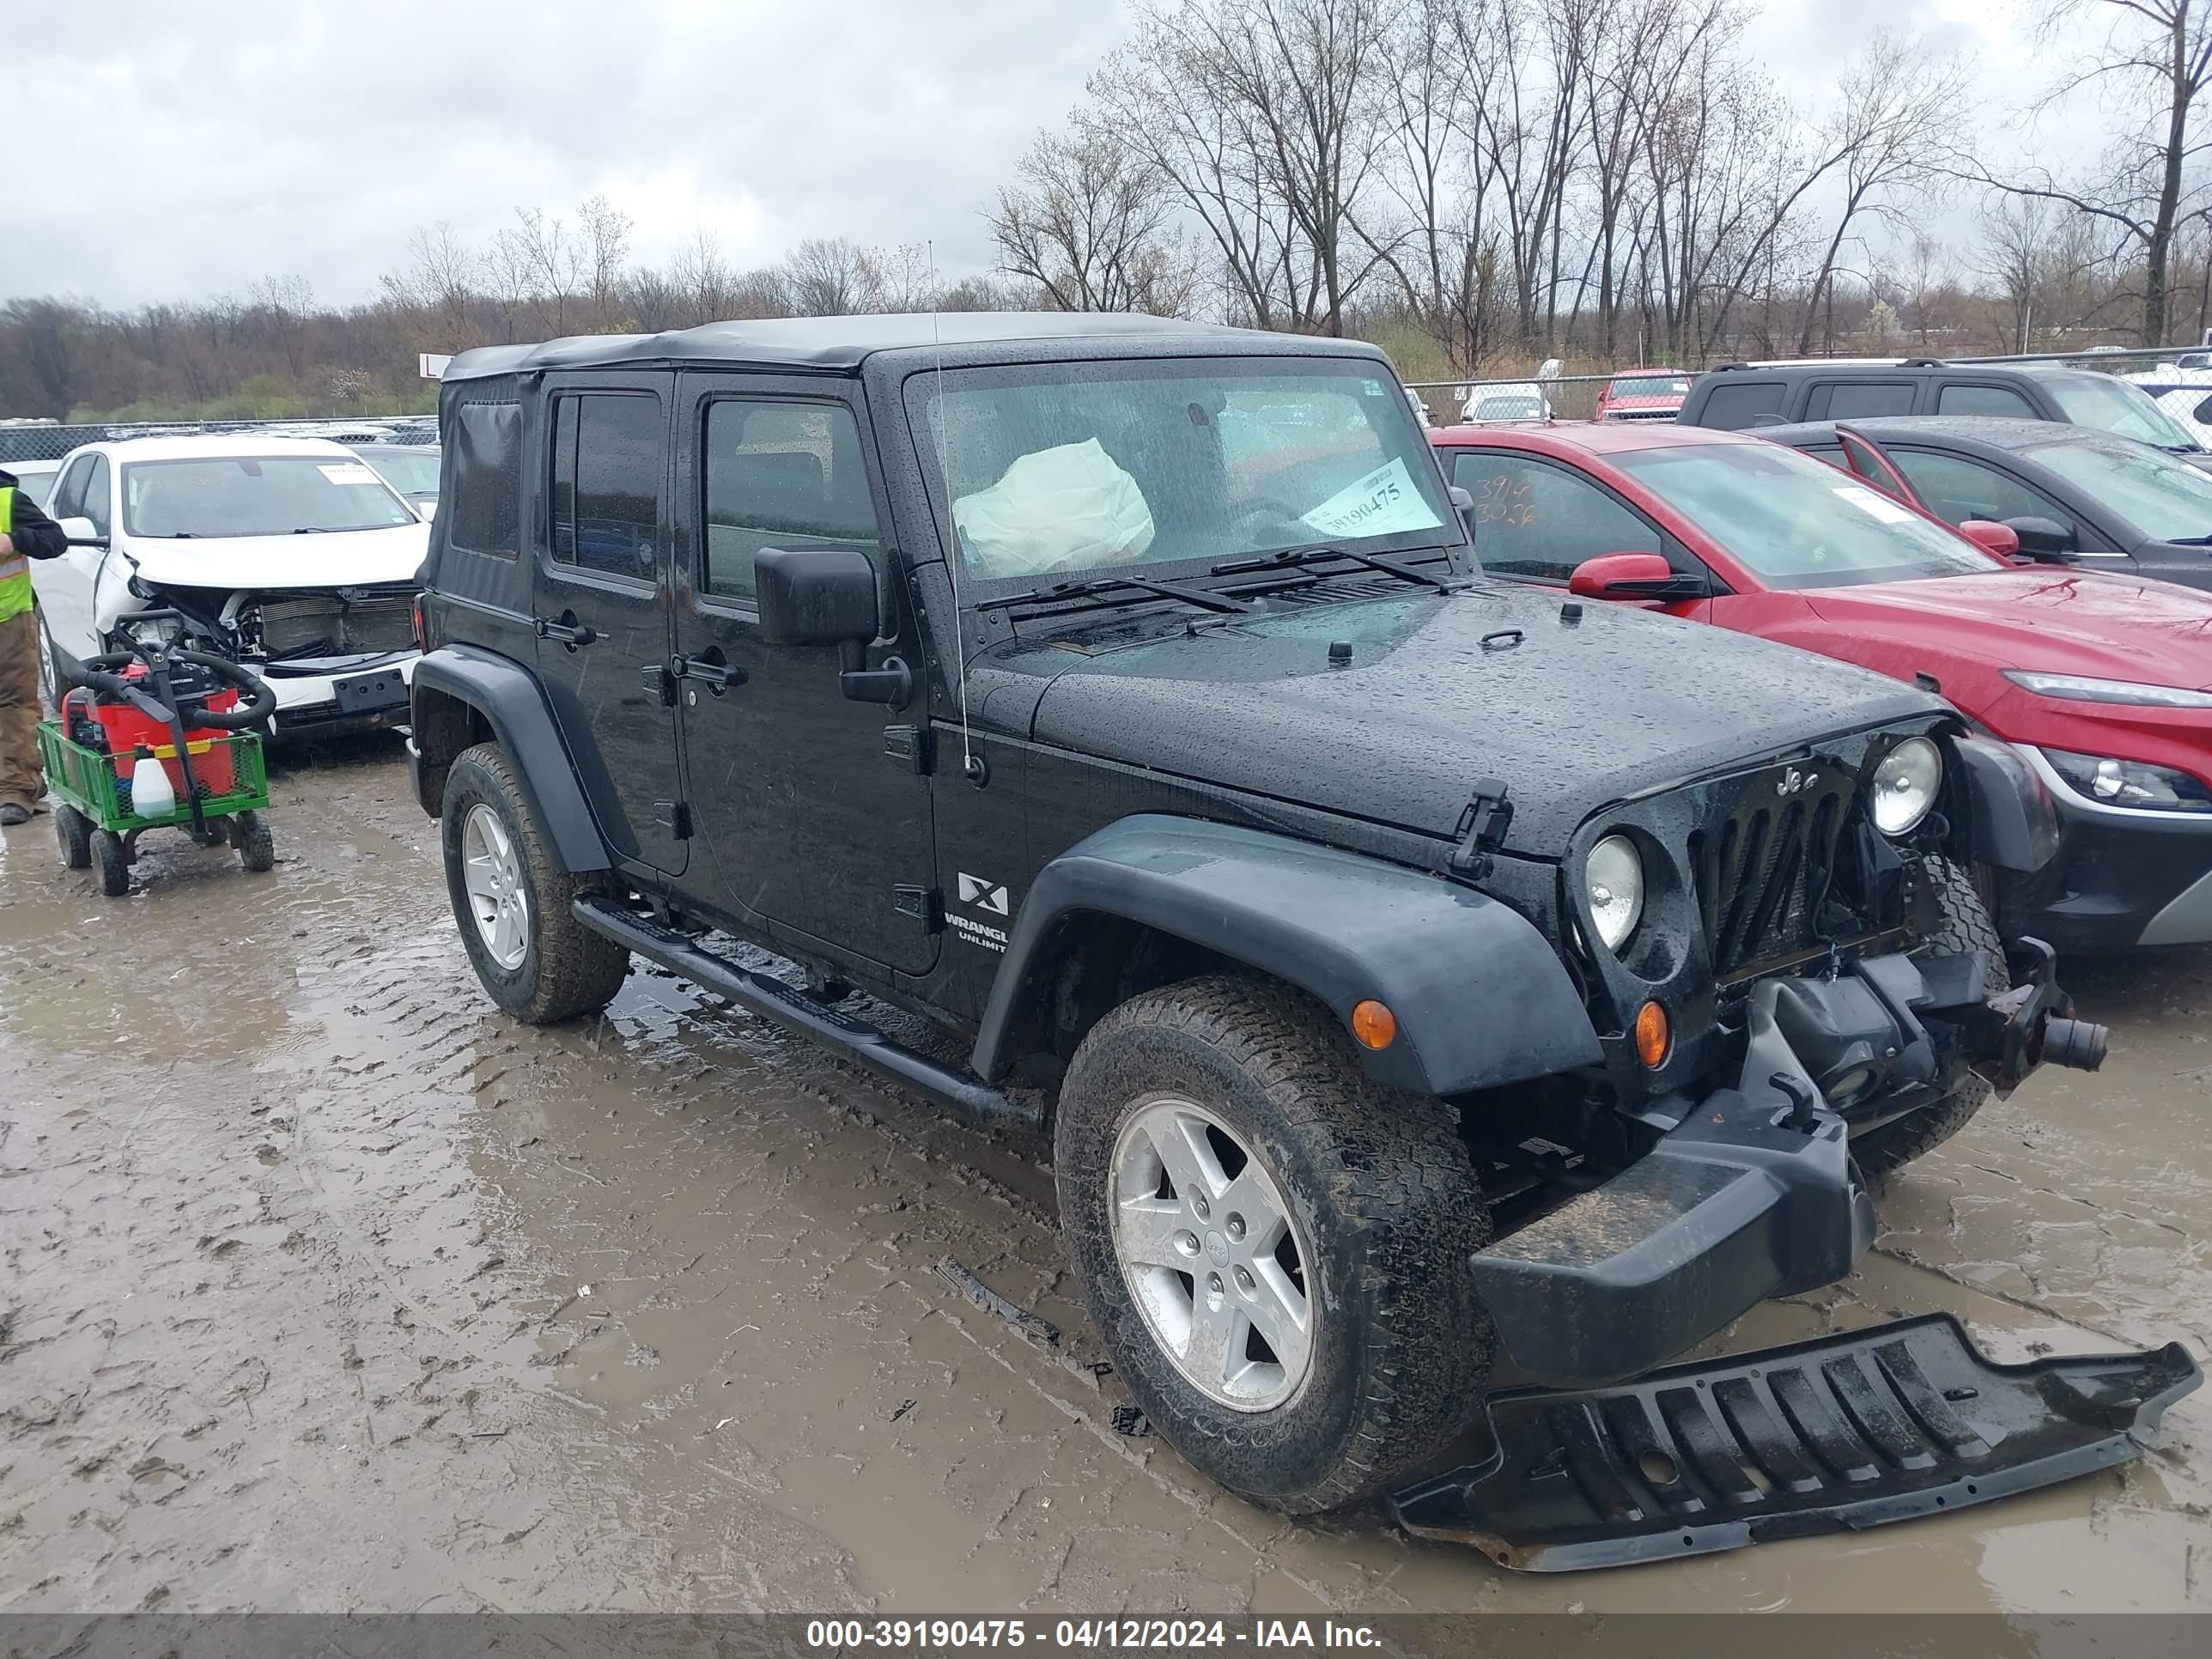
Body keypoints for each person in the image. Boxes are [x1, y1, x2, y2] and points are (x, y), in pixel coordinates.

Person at [0, 466, 70, 826]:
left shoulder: (8, 501)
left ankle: (17, 790)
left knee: (14, 705)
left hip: (8, 622)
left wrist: (15, 540)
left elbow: (55, 540)